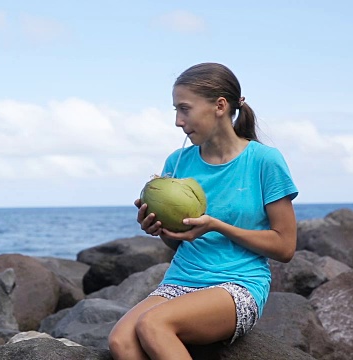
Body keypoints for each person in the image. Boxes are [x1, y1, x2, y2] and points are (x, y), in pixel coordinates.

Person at [108, 62, 299, 360]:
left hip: (238, 284)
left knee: (154, 324)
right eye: (175, 110)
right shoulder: (177, 162)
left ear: (220, 106)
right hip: (181, 280)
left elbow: (285, 247)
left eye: (184, 109)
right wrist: (160, 230)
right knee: (121, 341)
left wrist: (217, 226)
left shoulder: (264, 161)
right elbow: (179, 241)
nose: (177, 121)